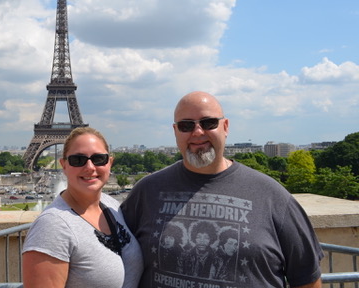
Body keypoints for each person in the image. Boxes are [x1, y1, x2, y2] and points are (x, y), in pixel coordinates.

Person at [121, 91, 324, 288]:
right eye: (186, 125)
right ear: (175, 131)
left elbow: (307, 278)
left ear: (225, 126)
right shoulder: (146, 192)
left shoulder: (274, 196)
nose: (198, 132)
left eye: (209, 123)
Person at [22, 127, 143, 288]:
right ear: (64, 165)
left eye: (99, 159)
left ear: (110, 163)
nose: (90, 167)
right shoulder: (51, 227)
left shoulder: (112, 205)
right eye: (78, 160)